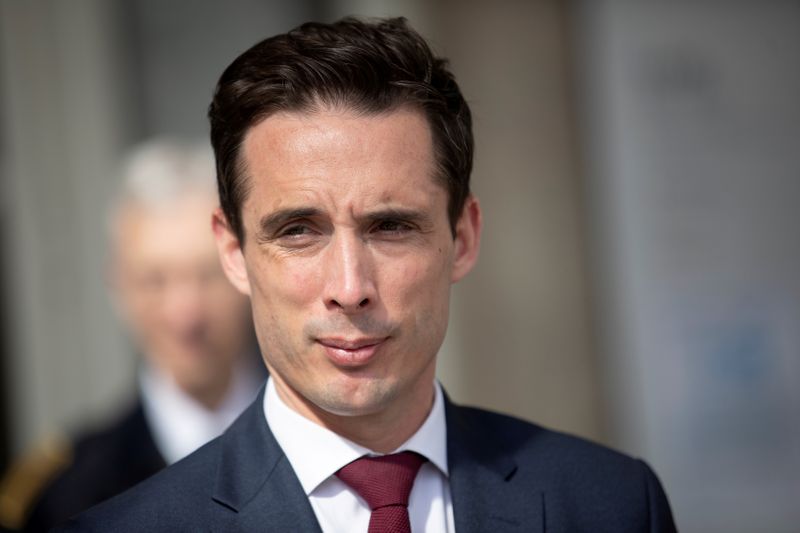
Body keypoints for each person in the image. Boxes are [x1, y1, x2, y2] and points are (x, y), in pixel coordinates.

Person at [57, 17, 677, 532]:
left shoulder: (612, 505)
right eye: (299, 231)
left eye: (390, 227)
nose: (350, 287)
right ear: (234, 251)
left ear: (463, 236)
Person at [5, 140, 263, 532]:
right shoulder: (65, 496)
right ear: (118, 287)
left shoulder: (331, 444)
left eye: (207, 275)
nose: (185, 314)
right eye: (154, 281)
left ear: (244, 270)